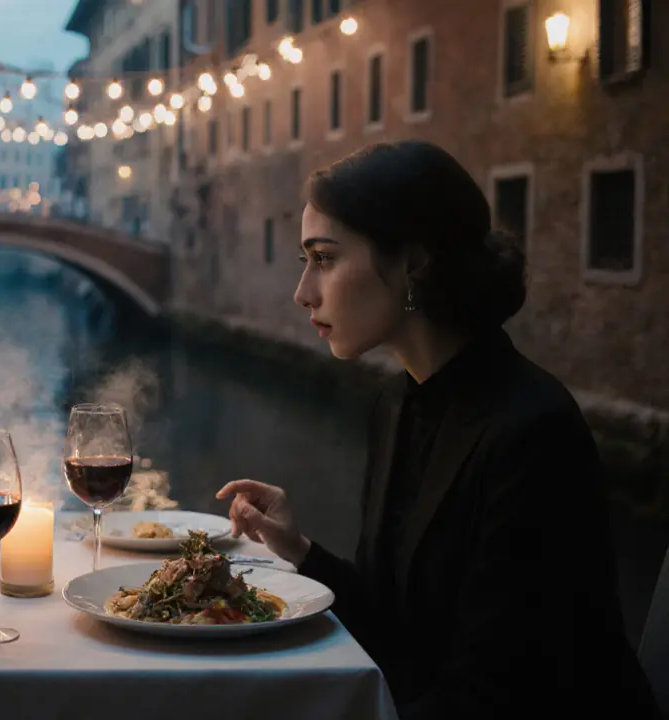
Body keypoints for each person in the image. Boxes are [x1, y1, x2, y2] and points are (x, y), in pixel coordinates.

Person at [216, 141, 659, 719]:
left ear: (413, 266)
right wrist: (299, 551)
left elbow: (503, 691)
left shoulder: (531, 430)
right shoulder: (395, 404)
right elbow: (393, 625)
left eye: (323, 258)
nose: (303, 292)